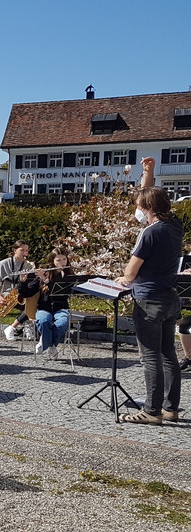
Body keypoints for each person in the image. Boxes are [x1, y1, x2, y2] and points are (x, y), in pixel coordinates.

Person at [114, 157, 182, 425]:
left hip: (148, 300)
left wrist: (123, 278)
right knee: (169, 354)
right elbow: (152, 196)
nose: (137, 210)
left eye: (140, 207)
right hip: (169, 297)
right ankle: (170, 408)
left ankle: (151, 412)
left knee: (150, 357)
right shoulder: (175, 226)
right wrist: (148, 173)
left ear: (149, 208)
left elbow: (131, 272)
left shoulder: (149, 233)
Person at [0, 240, 36, 341]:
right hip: (5, 294)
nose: (25, 253)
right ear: (15, 250)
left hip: (20, 293)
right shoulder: (3, 264)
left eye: (27, 250)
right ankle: (22, 326)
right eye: (22, 250)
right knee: (29, 305)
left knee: (34, 303)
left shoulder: (28, 265)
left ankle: (15, 327)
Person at [32, 248, 73, 360]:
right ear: (53, 261)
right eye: (58, 260)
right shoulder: (44, 273)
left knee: (62, 322)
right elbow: (28, 291)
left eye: (64, 259)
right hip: (44, 308)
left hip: (61, 307)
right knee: (44, 321)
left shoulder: (68, 275)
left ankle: (49, 344)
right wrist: (22, 281)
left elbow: (63, 289)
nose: (62, 263)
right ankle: (50, 345)